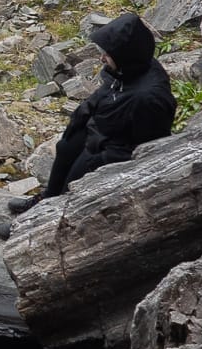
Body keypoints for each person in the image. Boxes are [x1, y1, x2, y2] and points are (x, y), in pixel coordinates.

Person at [9, 12, 174, 217]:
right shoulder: (131, 65)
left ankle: (44, 220)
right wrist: (84, 112)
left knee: (76, 180)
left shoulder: (149, 97)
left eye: (108, 54)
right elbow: (111, 88)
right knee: (66, 147)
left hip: (113, 146)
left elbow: (148, 146)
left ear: (125, 54)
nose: (102, 58)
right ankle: (48, 198)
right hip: (104, 128)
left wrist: (101, 158)